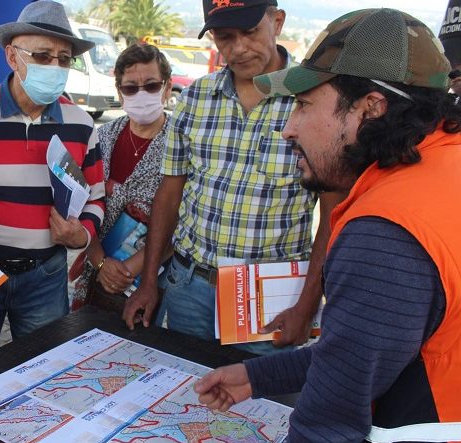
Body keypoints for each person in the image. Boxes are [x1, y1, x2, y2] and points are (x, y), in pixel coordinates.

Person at [195, 8, 461, 443]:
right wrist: (257, 375)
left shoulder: (386, 233)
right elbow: (361, 351)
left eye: (303, 105)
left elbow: (326, 427)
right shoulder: (442, 164)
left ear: (371, 109)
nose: (288, 129)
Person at [123, 0, 343, 354]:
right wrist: (149, 281)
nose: (238, 48)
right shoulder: (196, 96)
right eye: (225, 37)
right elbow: (170, 193)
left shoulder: (313, 99)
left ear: (278, 22)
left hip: (268, 297)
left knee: (255, 402)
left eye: (251, 32)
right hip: (189, 286)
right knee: (187, 394)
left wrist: (306, 305)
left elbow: (333, 214)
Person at [0, 0, 105, 355]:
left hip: (45, 276)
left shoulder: (80, 123)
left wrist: (82, 234)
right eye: (43, 56)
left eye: (64, 59)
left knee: (46, 368)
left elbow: (96, 196)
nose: (55, 66)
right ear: (12, 56)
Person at [70, 43, 173, 309]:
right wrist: (101, 263)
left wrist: (128, 269)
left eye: (151, 86)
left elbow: (183, 220)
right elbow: (81, 203)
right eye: (130, 88)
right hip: (93, 269)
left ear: (167, 88)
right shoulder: (100, 137)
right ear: (119, 91)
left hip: (148, 278)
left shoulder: (181, 143)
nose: (141, 95)